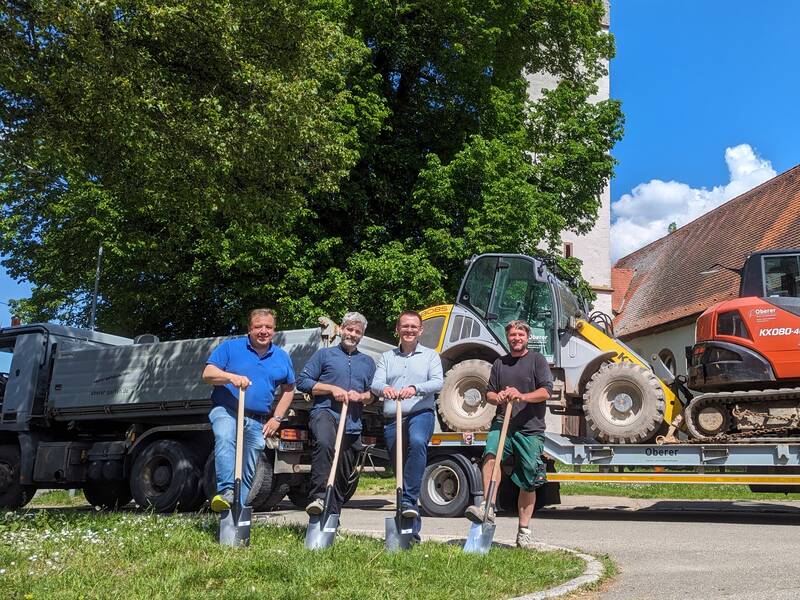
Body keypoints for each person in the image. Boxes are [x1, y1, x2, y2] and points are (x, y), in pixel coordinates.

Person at [464, 320, 553, 548]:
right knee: (491, 455)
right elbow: (489, 394)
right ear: (508, 338)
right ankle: (488, 507)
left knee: (529, 477)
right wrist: (500, 397)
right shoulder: (499, 363)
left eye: (520, 334)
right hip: (503, 421)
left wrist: (521, 396)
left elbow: (545, 391)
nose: (516, 338)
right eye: (512, 335)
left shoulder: (537, 360)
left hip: (530, 427)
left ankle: (523, 532)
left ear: (527, 337)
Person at [202, 308, 296, 512]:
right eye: (258, 327)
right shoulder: (230, 348)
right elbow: (208, 373)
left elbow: (289, 389)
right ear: (249, 329)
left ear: (274, 330)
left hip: (257, 419)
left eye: (268, 327)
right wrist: (231, 377)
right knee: (225, 437)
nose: (263, 331)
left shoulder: (281, 357)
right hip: (226, 410)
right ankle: (226, 491)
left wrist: (277, 418)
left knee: (250, 462)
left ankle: (237, 507)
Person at [371, 310, 443, 537]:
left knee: (417, 441)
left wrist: (415, 389)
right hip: (393, 417)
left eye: (414, 327)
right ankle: (408, 529)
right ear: (398, 330)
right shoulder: (386, 357)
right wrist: (385, 389)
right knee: (400, 469)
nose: (409, 330)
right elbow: (376, 383)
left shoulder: (431, 356)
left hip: (420, 413)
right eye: (405, 326)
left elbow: (438, 382)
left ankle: (410, 503)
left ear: (420, 330)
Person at [297, 312, 376, 516]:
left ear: (362, 336)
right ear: (341, 329)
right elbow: (303, 382)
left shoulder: (367, 362)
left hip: (352, 422)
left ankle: (333, 517)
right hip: (325, 412)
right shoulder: (324, 355)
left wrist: (361, 397)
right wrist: (331, 389)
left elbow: (374, 396)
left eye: (357, 331)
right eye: (349, 329)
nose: (353, 334)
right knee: (325, 443)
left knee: (343, 471)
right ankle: (318, 497)